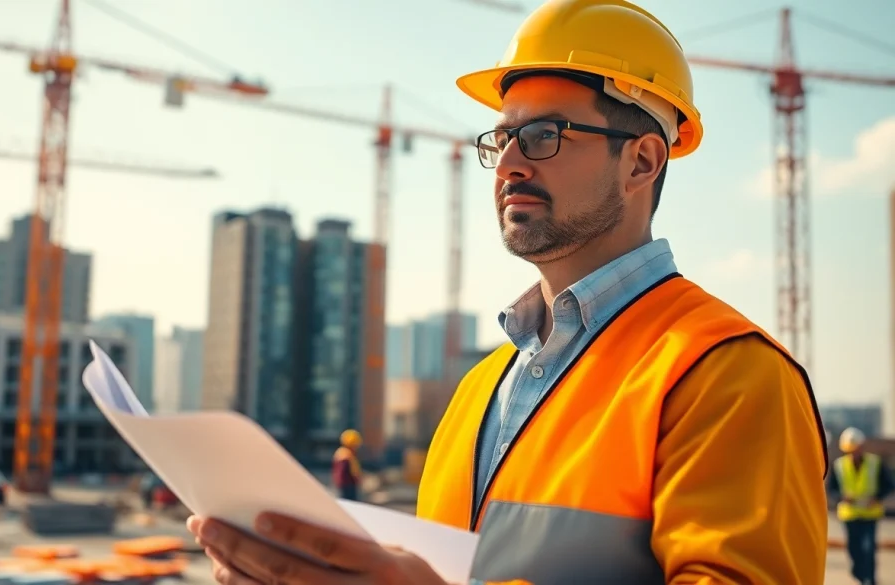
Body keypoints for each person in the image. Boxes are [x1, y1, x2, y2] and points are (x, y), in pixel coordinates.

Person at [185, 1, 829, 583]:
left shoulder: (728, 374)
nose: (513, 163)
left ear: (641, 162)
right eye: (504, 138)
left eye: (545, 135)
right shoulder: (478, 390)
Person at [828, 427, 893, 585]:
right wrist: (841, 498)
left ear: (861, 447)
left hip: (870, 514)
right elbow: (832, 489)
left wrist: (877, 498)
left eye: (855, 449)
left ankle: (869, 580)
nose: (853, 453)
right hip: (849, 514)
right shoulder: (839, 466)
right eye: (850, 450)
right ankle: (858, 573)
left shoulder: (875, 463)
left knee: (869, 548)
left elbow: (889, 485)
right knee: (854, 549)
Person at [331, 429, 362, 502]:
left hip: (348, 486)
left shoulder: (346, 453)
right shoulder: (344, 455)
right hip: (346, 487)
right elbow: (341, 473)